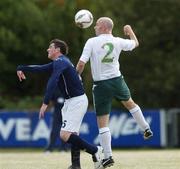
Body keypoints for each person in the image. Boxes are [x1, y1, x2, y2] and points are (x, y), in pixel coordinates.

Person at [76, 17, 153, 168]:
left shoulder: (91, 42)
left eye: (97, 25)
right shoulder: (118, 41)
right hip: (117, 80)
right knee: (130, 103)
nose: (94, 27)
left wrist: (76, 76)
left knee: (102, 122)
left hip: (101, 85)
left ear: (104, 27)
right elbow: (135, 43)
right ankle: (145, 128)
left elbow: (81, 63)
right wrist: (130, 31)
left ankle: (108, 156)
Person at [16, 39, 104, 169]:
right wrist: (20, 68)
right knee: (73, 134)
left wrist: (45, 102)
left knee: (64, 135)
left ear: (57, 50)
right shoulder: (59, 62)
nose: (48, 49)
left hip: (77, 101)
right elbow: (40, 68)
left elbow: (53, 80)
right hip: (71, 101)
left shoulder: (61, 61)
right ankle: (76, 165)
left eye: (50, 47)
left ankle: (95, 150)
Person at [44, 86, 68, 152]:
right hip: (57, 111)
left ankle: (63, 148)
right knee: (54, 130)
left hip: (66, 111)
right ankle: (50, 148)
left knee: (65, 130)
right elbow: (51, 100)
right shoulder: (55, 87)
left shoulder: (68, 86)